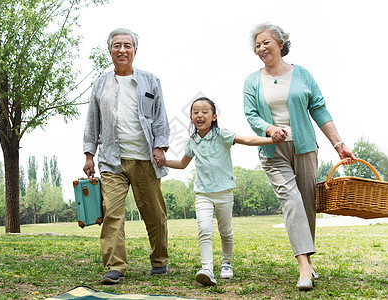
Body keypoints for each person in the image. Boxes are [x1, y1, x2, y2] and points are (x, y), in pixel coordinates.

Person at [243, 22, 356, 291]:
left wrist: (338, 144)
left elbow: (319, 109)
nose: (261, 48)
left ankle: (308, 261)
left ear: (280, 44)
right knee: (291, 200)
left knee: (306, 205)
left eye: (266, 42)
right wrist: (269, 129)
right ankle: (303, 265)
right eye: (257, 45)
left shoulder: (302, 74)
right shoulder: (252, 80)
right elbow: (251, 114)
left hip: (304, 145)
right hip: (273, 150)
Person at [157, 97, 285, 286]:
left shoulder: (222, 135)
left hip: (224, 192)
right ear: (191, 117)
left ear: (214, 116)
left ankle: (226, 264)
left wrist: (270, 139)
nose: (200, 115)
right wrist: (164, 161)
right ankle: (207, 268)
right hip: (203, 194)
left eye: (205, 111)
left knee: (225, 232)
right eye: (195, 112)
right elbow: (183, 164)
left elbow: (247, 139)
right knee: (204, 229)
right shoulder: (192, 142)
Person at [83, 28, 170, 284]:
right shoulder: (100, 84)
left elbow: (160, 117)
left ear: (135, 50)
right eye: (117, 45)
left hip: (145, 158)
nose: (122, 50)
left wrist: (160, 146)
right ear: (110, 50)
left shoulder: (150, 81)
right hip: (112, 160)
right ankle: (115, 266)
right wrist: (90, 155)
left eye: (127, 46)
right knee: (112, 214)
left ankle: (159, 260)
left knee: (154, 212)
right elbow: (92, 123)